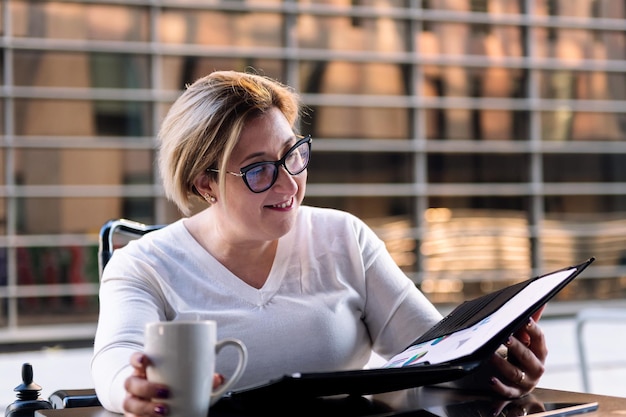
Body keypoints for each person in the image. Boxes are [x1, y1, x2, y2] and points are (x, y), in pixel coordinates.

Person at [91, 70, 548, 416]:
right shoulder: (143, 266)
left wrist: (498, 369)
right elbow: (114, 359)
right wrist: (129, 389)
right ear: (204, 183)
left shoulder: (343, 238)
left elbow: (431, 357)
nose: (288, 183)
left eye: (293, 155)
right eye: (258, 170)